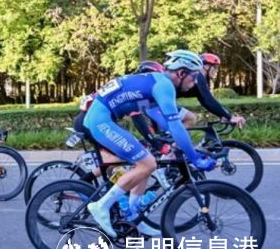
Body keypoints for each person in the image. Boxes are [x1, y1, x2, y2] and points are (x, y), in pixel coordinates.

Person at [84, 50, 216, 237]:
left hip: (103, 118)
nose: (194, 83)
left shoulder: (157, 82)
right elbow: (175, 125)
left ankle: (132, 215)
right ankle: (101, 206)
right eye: (193, 77)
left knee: (147, 163)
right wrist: (194, 157)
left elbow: (165, 122)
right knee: (147, 163)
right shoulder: (164, 85)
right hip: (100, 121)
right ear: (181, 73)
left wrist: (173, 142)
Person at [175, 52, 246, 129]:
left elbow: (206, 101)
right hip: (165, 101)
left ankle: (169, 136)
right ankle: (171, 137)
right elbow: (208, 100)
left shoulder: (199, 77)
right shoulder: (199, 76)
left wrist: (225, 115)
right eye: (214, 67)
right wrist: (229, 117)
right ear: (206, 66)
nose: (216, 71)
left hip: (167, 101)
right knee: (190, 118)